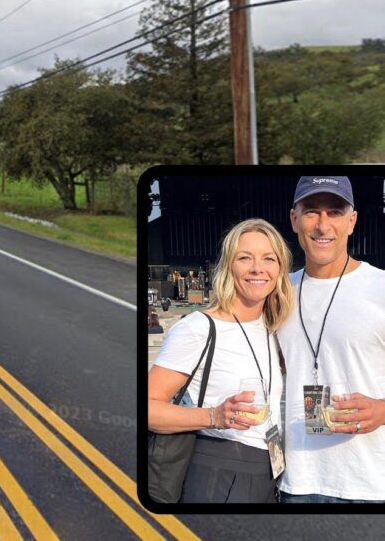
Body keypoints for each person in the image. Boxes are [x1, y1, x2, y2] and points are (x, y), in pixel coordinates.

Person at [148, 218, 293, 503]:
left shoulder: (272, 329)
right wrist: (213, 416)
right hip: (220, 469)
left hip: (269, 471)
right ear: (228, 266)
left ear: (280, 269)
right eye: (244, 258)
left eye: (269, 258)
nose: (257, 268)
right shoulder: (199, 328)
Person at [277, 176, 385, 503]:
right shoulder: (277, 292)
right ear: (294, 219)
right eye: (311, 211)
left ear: (351, 221)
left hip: (370, 483)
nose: (323, 225)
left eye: (335, 212)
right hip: (295, 480)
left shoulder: (380, 288)